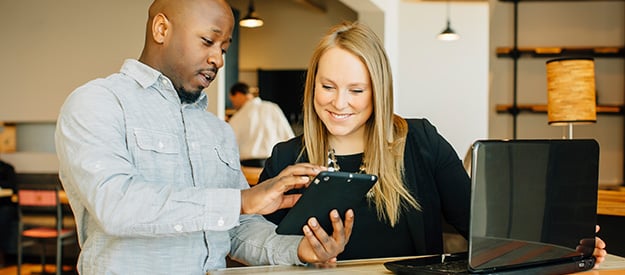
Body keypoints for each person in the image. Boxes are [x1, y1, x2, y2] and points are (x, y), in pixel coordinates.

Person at [260, 21, 608, 264]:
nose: (339, 103)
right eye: (328, 86)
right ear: (312, 86)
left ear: (379, 92)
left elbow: (480, 228)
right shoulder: (286, 158)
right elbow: (256, 248)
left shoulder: (420, 141)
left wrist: (560, 247)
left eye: (356, 90)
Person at [54, 1, 353, 273]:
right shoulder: (98, 103)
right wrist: (242, 200)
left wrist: (299, 249)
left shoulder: (218, 130)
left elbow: (236, 229)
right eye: (208, 41)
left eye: (223, 48)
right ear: (161, 29)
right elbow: (116, 205)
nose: (218, 60)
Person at [228, 82, 295, 167]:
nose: (234, 104)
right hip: (274, 163)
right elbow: (288, 136)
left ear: (238, 95)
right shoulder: (272, 107)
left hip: (248, 166)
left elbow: (229, 146)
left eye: (233, 100)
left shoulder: (237, 117)